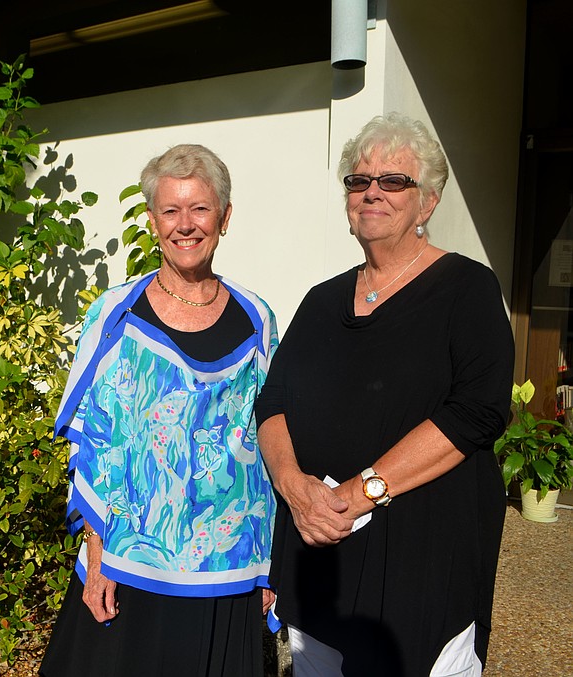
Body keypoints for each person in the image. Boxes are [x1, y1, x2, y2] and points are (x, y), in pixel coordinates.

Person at [256, 113, 514, 676]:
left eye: (393, 180)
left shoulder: (467, 289)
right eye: (359, 180)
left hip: (420, 561)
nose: (372, 192)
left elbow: (477, 411)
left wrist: (360, 493)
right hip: (320, 553)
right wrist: (294, 488)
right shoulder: (321, 301)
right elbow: (271, 402)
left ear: (427, 203)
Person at [40, 144, 278, 677]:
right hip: (129, 562)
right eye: (171, 210)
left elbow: (267, 442)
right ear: (152, 221)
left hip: (227, 566)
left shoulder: (258, 319)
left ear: (225, 217)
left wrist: (267, 563)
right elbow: (94, 440)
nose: (185, 225)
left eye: (200, 209)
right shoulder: (116, 315)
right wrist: (97, 554)